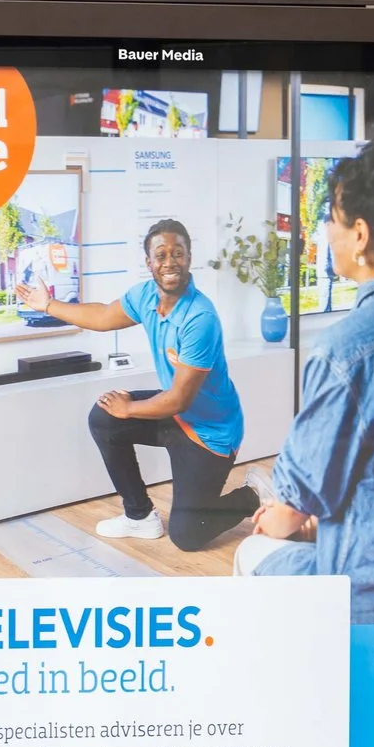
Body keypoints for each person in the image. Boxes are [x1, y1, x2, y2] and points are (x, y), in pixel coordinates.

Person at [20, 217, 253, 547]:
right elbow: (102, 317)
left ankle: (250, 497)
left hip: (209, 433)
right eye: (161, 254)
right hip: (175, 414)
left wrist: (130, 408)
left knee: (188, 535)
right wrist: (48, 305)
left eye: (178, 253)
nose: (170, 261)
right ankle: (139, 516)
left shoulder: (200, 318)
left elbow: (178, 401)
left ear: (189, 258)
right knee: (104, 417)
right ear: (149, 262)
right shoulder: (145, 295)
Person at [236, 146, 374, 622]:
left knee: (252, 551)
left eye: (331, 218)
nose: (326, 230)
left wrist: (282, 515)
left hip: (368, 585)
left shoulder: (346, 348)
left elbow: (296, 501)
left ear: (359, 234)